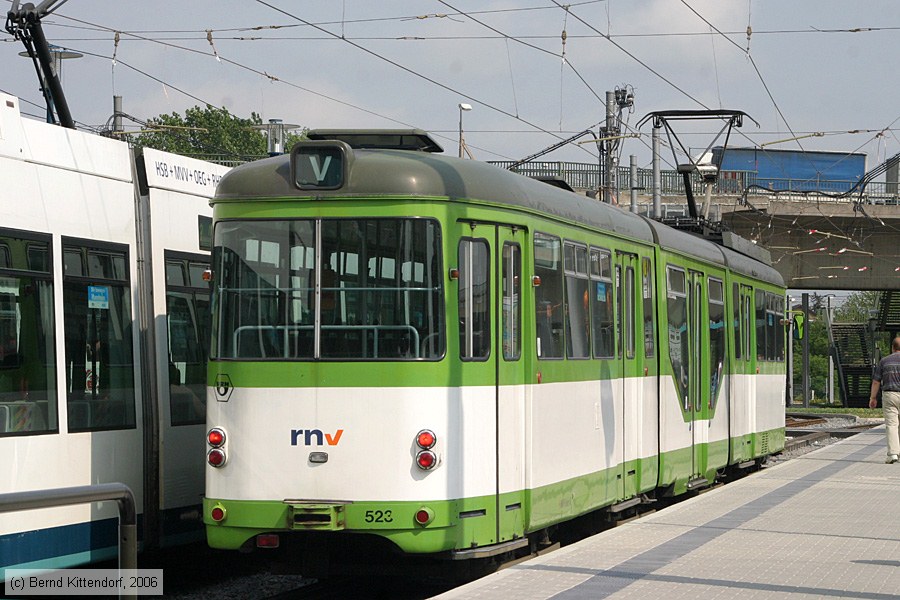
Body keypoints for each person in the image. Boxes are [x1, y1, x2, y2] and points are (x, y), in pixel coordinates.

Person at [869, 336, 900, 464]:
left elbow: (876, 381)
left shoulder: (884, 361)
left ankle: (893, 454)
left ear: (893, 347)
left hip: (890, 395)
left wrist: (873, 398)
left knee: (892, 425)